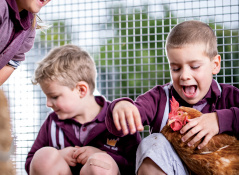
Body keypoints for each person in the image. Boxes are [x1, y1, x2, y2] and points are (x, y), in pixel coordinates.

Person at [105, 20, 239, 175]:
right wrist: (121, 108)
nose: (184, 76)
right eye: (176, 68)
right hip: (173, 170)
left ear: (215, 65)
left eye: (194, 67)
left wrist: (219, 120)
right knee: (152, 142)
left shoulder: (229, 96)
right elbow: (132, 115)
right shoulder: (159, 98)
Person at [25, 44, 140, 175]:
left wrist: (103, 155)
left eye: (54, 97)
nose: (48, 103)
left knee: (99, 163)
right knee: (43, 156)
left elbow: (135, 164)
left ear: (81, 90)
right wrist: (59, 155)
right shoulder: (52, 123)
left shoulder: (118, 117)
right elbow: (31, 162)